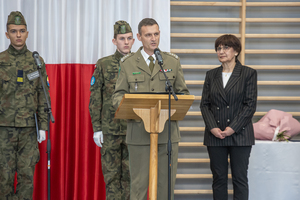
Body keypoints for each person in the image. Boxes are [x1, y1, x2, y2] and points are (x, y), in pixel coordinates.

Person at [112, 18, 189, 200]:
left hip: (167, 134)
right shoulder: (128, 63)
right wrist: (131, 105)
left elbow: (183, 94)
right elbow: (117, 96)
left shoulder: (172, 61)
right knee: (138, 187)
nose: (153, 38)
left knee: (166, 187)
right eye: (148, 35)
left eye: (156, 34)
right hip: (139, 135)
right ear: (139, 37)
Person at [200, 34, 257, 200]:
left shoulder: (248, 73)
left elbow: (250, 105)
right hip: (215, 134)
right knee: (219, 179)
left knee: (240, 179)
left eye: (226, 47)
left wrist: (233, 128)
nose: (221, 51)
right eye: (218, 48)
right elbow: (204, 104)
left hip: (240, 134)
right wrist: (213, 128)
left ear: (236, 51)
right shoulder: (211, 75)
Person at [0, 11, 50, 199]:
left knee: (27, 178)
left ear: (27, 33)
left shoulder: (36, 62)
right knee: (3, 178)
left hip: (29, 129)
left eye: (22, 31)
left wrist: (43, 126)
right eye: (14, 31)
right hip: (3, 130)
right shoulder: (0, 61)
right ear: (7, 34)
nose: (18, 35)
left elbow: (43, 95)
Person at [89, 20, 135, 200]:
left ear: (133, 40)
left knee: (132, 178)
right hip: (111, 130)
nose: (126, 42)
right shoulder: (104, 64)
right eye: (122, 38)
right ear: (114, 41)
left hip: (134, 129)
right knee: (112, 178)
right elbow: (95, 99)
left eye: (129, 38)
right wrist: (97, 128)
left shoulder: (141, 64)